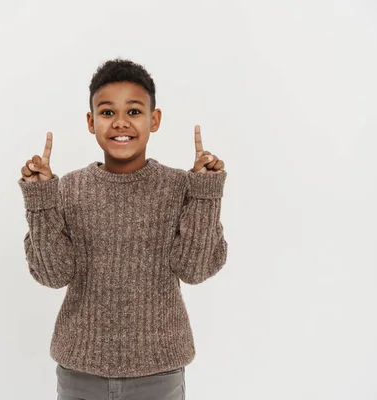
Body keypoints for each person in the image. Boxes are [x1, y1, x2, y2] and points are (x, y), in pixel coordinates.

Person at [19, 58, 228, 400]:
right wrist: (41, 199)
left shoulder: (180, 187)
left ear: (154, 119)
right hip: (79, 374)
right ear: (91, 122)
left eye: (133, 112)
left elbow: (195, 269)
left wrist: (205, 192)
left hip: (159, 375)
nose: (120, 123)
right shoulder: (68, 189)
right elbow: (52, 274)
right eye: (106, 112)